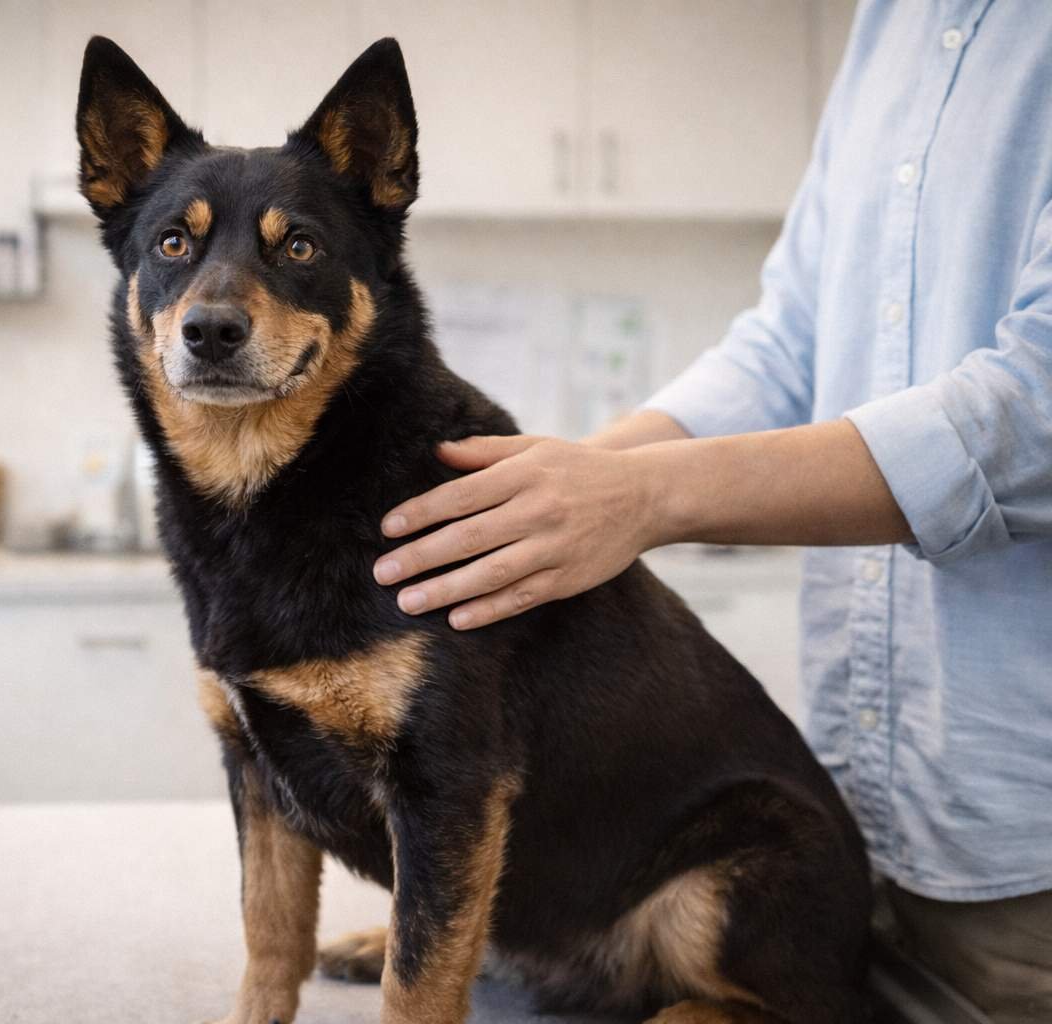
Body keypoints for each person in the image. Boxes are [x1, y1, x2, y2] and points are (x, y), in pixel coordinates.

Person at [371, 3, 1052, 1021]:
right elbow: (785, 346)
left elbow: (1034, 411)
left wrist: (644, 498)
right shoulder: (893, 26)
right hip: (856, 809)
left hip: (1020, 852)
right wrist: (556, 489)